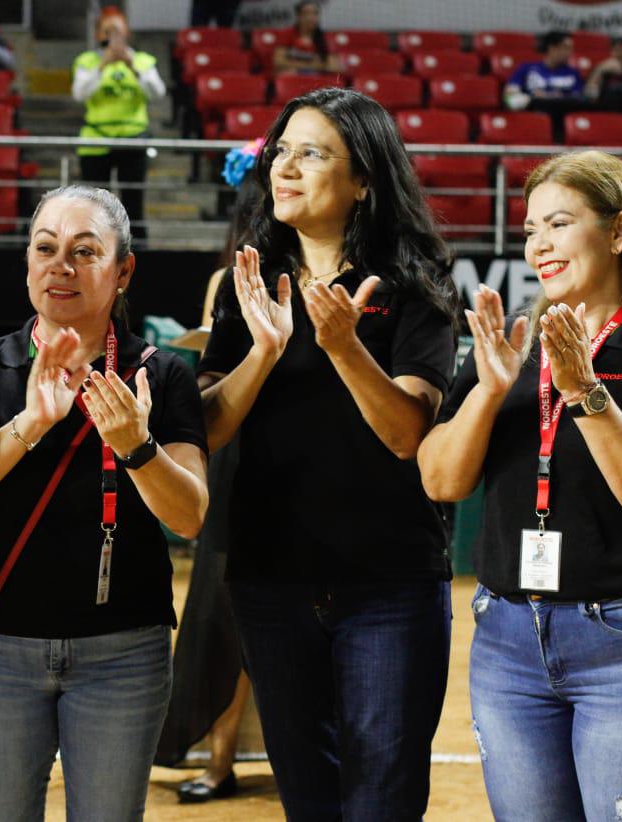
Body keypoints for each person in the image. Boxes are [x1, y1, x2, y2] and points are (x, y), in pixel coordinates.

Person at [419, 150, 622, 820]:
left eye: (559, 223)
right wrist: (489, 391)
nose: (539, 244)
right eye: (529, 230)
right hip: (510, 641)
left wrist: (587, 391)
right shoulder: (512, 347)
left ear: (618, 231)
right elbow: (440, 478)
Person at [197, 87, 458, 818]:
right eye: (282, 150)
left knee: (381, 796)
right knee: (307, 796)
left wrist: (342, 346)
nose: (286, 166)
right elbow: (208, 426)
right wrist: (265, 351)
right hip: (271, 581)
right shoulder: (249, 286)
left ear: (364, 179)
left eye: (312, 153)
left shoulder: (416, 284)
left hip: (388, 586)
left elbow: (409, 433)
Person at [0, 184, 209, 821]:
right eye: (46, 248)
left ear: (123, 269)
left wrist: (136, 446)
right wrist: (27, 426)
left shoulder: (159, 374)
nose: (62, 266)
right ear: (27, 261)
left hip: (124, 656)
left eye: (85, 251)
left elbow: (188, 513)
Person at [156, 177, 260, 805]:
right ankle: (219, 760)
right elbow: (211, 370)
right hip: (237, 457)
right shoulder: (228, 284)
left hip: (272, 456)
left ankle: (233, 758)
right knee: (224, 616)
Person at [72, 6, 165, 241]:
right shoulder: (87, 61)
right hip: (96, 141)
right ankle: (93, 248)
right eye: (107, 31)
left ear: (126, 34)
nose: (112, 37)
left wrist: (131, 65)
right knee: (94, 205)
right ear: (98, 35)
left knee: (133, 202)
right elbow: (80, 93)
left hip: (132, 139)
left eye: (117, 31)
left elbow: (157, 92)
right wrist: (103, 64)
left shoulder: (142, 60)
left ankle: (138, 250)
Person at [504, 31, 588, 114]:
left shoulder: (573, 73)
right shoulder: (526, 69)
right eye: (566, 48)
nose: (570, 52)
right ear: (552, 48)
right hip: (535, 115)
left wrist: (551, 96)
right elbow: (510, 97)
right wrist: (531, 98)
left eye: (571, 48)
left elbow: (579, 98)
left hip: (563, 115)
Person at [272, 1, 340, 76]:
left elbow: (334, 66)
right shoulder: (287, 34)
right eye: (307, 13)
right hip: (294, 78)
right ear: (298, 16)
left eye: (315, 13)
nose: (311, 17)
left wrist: (293, 63)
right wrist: (315, 65)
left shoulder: (324, 38)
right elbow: (279, 62)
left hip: (317, 79)